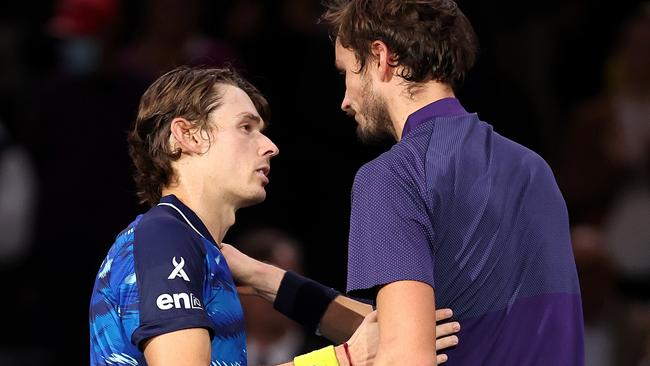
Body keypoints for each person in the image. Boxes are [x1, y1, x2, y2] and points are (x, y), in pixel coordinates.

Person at [225, 0, 585, 365]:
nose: (345, 101)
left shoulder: (392, 177)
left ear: (381, 58)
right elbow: (400, 330)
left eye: (346, 72)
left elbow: (404, 356)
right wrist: (261, 278)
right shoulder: (533, 167)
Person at [89, 66, 459, 366]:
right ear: (186, 136)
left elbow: (387, 336)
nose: (270, 146)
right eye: (246, 128)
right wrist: (342, 359)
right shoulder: (165, 238)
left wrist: (402, 334)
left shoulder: (191, 245)